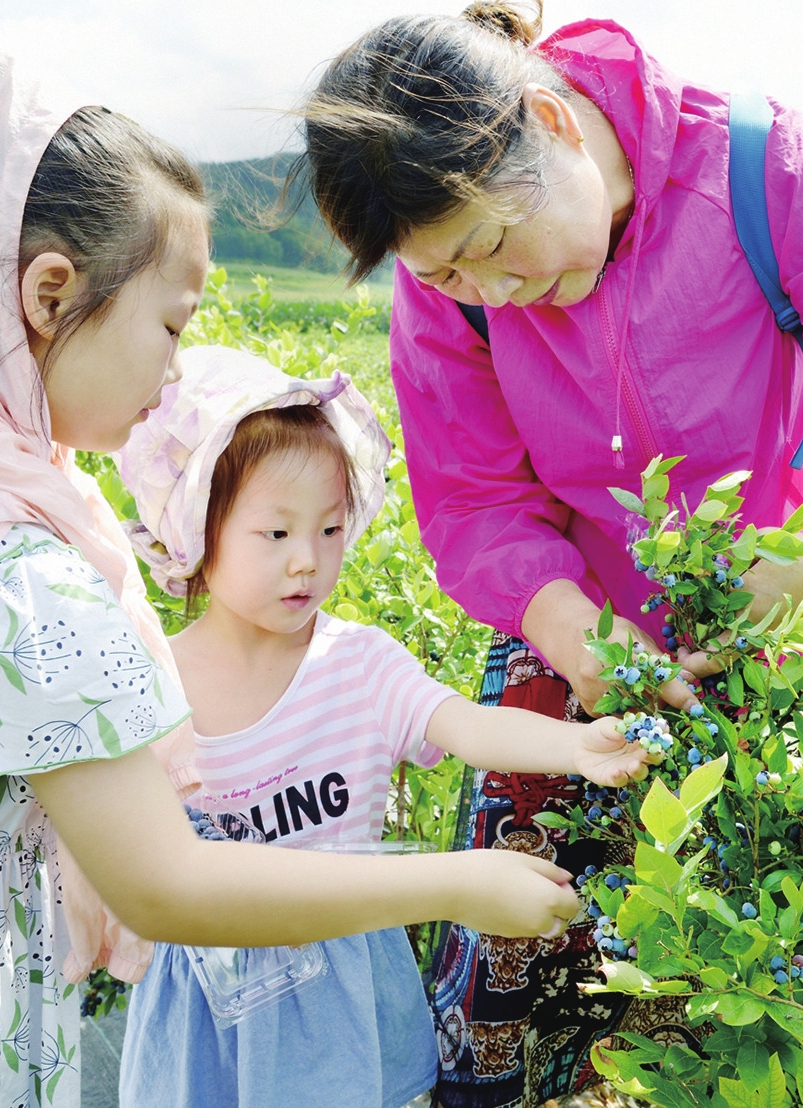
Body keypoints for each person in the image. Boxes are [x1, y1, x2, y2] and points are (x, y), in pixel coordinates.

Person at [0, 35, 580, 1105]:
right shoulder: (21, 582)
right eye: (169, 324)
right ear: (49, 295)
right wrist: (458, 881)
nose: (176, 372)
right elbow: (168, 883)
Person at [290, 4, 803, 1103]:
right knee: (517, 960)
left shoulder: (760, 174)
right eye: (445, 277)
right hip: (580, 644)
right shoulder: (448, 290)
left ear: (553, 120)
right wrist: (583, 642)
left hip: (780, 645)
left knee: (744, 987)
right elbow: (476, 503)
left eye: (490, 249)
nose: (485, 294)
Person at [113, 345, 653, 1108]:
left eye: (330, 531)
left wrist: (578, 748)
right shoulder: (153, 686)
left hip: (347, 984)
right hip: (215, 1002)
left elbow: (463, 725)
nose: (307, 561)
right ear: (199, 529)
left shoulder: (357, 663)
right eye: (276, 535)